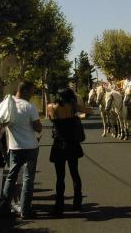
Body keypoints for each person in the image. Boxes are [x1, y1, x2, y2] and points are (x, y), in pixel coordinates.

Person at [0, 81, 42, 219]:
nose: (32, 95)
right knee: (28, 179)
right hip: (30, 147)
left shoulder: (7, 105)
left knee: (11, 177)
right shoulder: (29, 107)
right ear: (25, 91)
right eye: (31, 92)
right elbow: (38, 127)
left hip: (14, 147)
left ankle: (4, 206)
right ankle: (25, 210)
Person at [47, 88, 92, 216]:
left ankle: (59, 206)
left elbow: (50, 118)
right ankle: (77, 203)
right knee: (75, 174)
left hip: (59, 144)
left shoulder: (51, 106)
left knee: (60, 177)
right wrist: (78, 117)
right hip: (72, 144)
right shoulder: (73, 107)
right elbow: (89, 111)